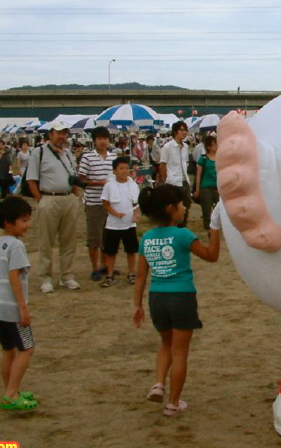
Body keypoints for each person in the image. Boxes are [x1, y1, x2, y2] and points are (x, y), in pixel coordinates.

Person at [133, 184, 220, 416]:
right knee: (180, 351)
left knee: (165, 343)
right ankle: (173, 402)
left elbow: (141, 275)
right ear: (171, 208)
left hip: (157, 298)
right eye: (182, 204)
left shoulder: (147, 238)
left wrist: (137, 304)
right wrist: (215, 228)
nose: (184, 208)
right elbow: (212, 256)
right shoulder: (182, 235)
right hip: (181, 296)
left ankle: (159, 383)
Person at [0, 196, 38, 411]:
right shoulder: (16, 246)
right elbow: (14, 275)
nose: (28, 224)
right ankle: (12, 393)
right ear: (8, 222)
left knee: (8, 350)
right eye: (23, 220)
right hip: (12, 309)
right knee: (27, 349)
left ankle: (9, 391)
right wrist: (22, 307)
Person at [25, 121, 83, 293]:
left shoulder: (68, 154)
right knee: (46, 241)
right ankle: (46, 277)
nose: (62, 136)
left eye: (64, 133)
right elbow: (31, 179)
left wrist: (75, 196)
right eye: (58, 133)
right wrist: (40, 199)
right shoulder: (39, 152)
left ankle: (67, 275)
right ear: (50, 134)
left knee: (69, 241)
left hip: (68, 199)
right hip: (48, 198)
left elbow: (73, 176)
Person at [78, 126, 114, 281]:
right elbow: (81, 179)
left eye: (105, 138)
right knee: (94, 238)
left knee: (108, 237)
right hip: (94, 202)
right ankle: (94, 268)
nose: (103, 141)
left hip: (111, 203)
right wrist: (100, 183)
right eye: (100, 138)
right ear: (94, 141)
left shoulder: (113, 157)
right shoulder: (88, 157)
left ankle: (105, 265)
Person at [100, 157, 140, 288]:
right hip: (113, 224)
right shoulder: (109, 185)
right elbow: (105, 203)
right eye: (121, 168)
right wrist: (115, 213)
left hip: (129, 224)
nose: (124, 171)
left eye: (126, 168)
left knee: (131, 250)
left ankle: (132, 273)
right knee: (111, 251)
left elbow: (136, 204)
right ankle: (110, 274)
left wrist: (135, 215)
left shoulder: (133, 185)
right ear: (114, 171)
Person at [159, 121, 192, 228]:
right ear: (175, 132)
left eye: (185, 130)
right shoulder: (168, 147)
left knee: (186, 207)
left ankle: (182, 228)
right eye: (181, 130)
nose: (184, 132)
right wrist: (165, 180)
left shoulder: (186, 147)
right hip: (173, 182)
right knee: (174, 209)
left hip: (184, 181)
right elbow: (162, 165)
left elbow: (185, 164)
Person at [193, 135, 219, 231]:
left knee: (220, 208)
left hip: (217, 187)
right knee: (206, 210)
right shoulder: (203, 159)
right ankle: (208, 228)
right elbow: (198, 175)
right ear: (208, 147)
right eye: (213, 145)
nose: (216, 146)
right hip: (206, 188)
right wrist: (197, 190)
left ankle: (218, 226)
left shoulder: (220, 157)